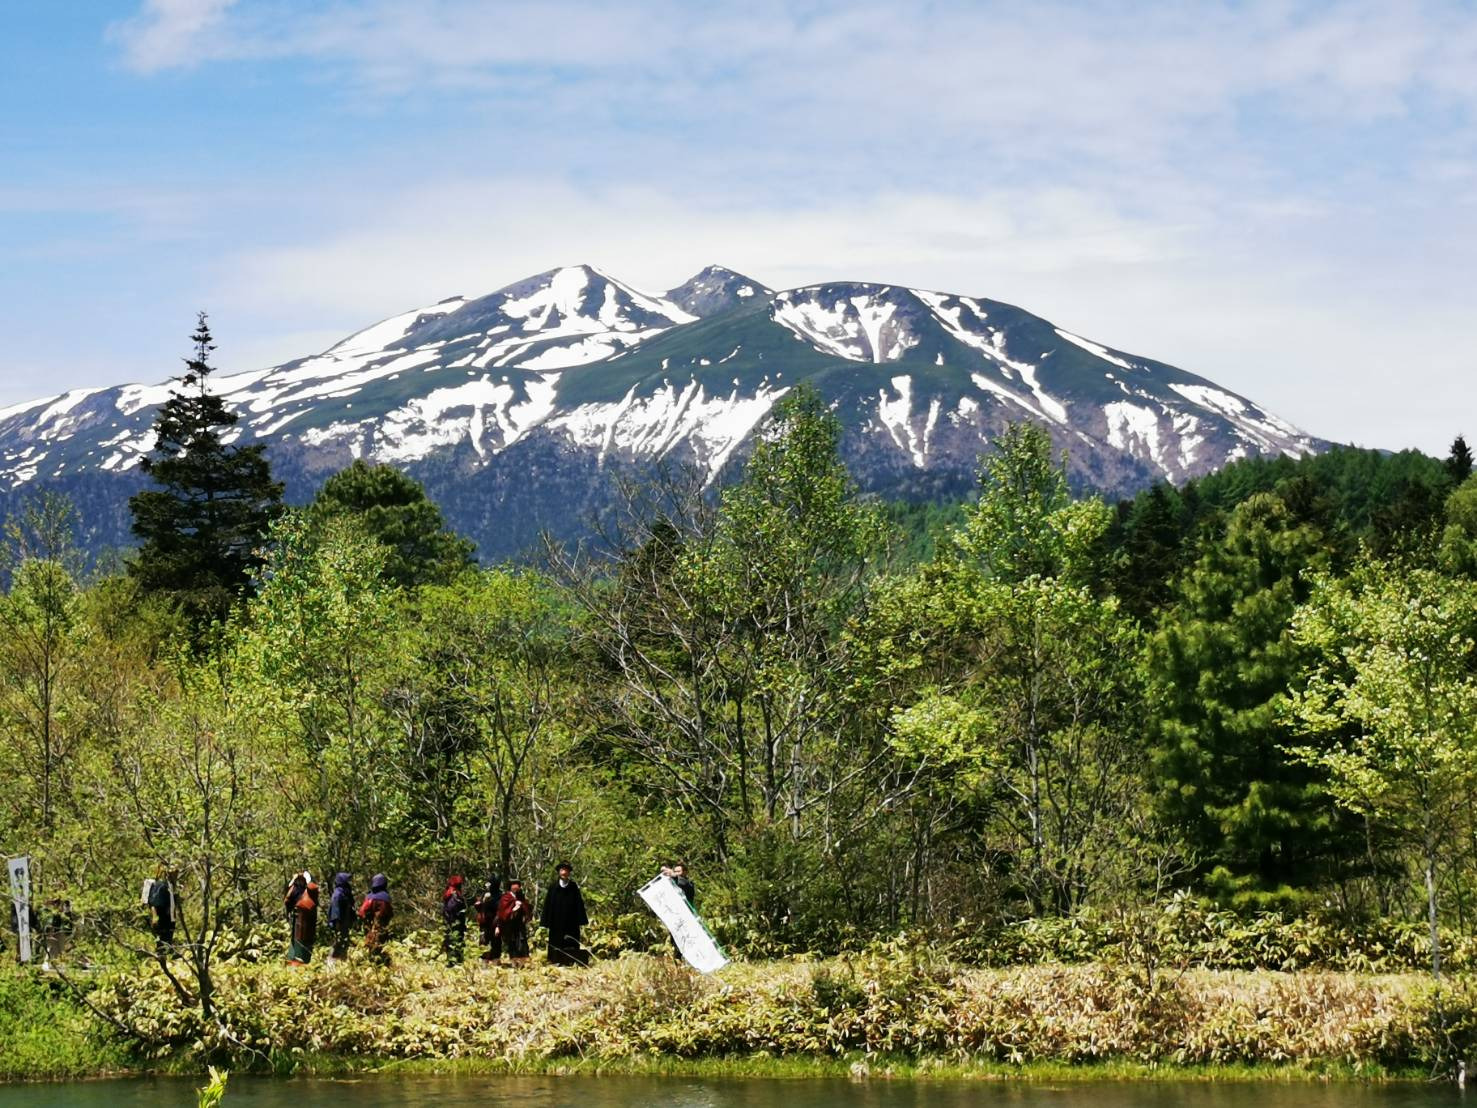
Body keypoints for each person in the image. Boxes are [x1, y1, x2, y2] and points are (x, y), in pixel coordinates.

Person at [540, 862, 589, 966]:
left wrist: (581, 920)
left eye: (566, 870)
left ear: (569, 873)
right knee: (555, 941)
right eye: (562, 870)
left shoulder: (573, 887)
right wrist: (546, 921)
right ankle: (555, 961)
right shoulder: (553, 887)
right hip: (556, 921)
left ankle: (571, 961)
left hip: (571, 921)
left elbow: (579, 903)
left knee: (571, 940)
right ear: (559, 872)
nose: (564, 872)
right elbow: (548, 904)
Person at [495, 878, 534, 967]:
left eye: (517, 885)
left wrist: (523, 907)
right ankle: (513, 963)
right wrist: (513, 909)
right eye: (514, 884)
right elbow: (502, 912)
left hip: (520, 925)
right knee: (512, 943)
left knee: (522, 942)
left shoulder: (521, 896)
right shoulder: (506, 897)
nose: (516, 887)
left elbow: (527, 908)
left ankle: (522, 963)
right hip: (510, 925)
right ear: (510, 886)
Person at [358, 873, 394, 965]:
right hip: (380, 927)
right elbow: (388, 913)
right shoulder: (385, 897)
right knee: (380, 945)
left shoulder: (369, 896)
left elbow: (362, 912)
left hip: (369, 927)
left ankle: (371, 962)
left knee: (371, 945)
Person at [288, 875, 319, 964]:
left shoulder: (307, 899)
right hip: (303, 933)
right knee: (301, 953)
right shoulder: (307, 902)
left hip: (302, 932)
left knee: (299, 950)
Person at [146, 868, 177, 955]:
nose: (175, 875)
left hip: (170, 915)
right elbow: (154, 902)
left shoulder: (172, 885)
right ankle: (161, 955)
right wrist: (155, 916)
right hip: (162, 914)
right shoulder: (161, 885)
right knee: (162, 935)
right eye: (173, 873)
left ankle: (168, 952)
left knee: (169, 934)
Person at [327, 872, 355, 961]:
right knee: (338, 943)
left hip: (345, 923)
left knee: (344, 943)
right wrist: (337, 924)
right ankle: (331, 962)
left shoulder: (345, 892)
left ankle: (342, 961)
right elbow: (335, 911)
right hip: (339, 924)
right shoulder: (338, 894)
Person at [441, 874, 467, 965]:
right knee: (454, 940)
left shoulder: (450, 894)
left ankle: (454, 959)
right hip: (454, 922)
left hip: (451, 922)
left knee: (451, 940)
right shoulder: (454, 895)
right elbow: (452, 909)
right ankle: (454, 960)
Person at [475, 879, 502, 963]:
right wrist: (480, 903)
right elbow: (480, 908)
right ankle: (484, 961)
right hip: (485, 923)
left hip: (494, 921)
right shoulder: (485, 894)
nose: (488, 887)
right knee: (483, 941)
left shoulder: (499, 896)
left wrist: (498, 925)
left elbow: (500, 911)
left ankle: (495, 961)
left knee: (496, 943)